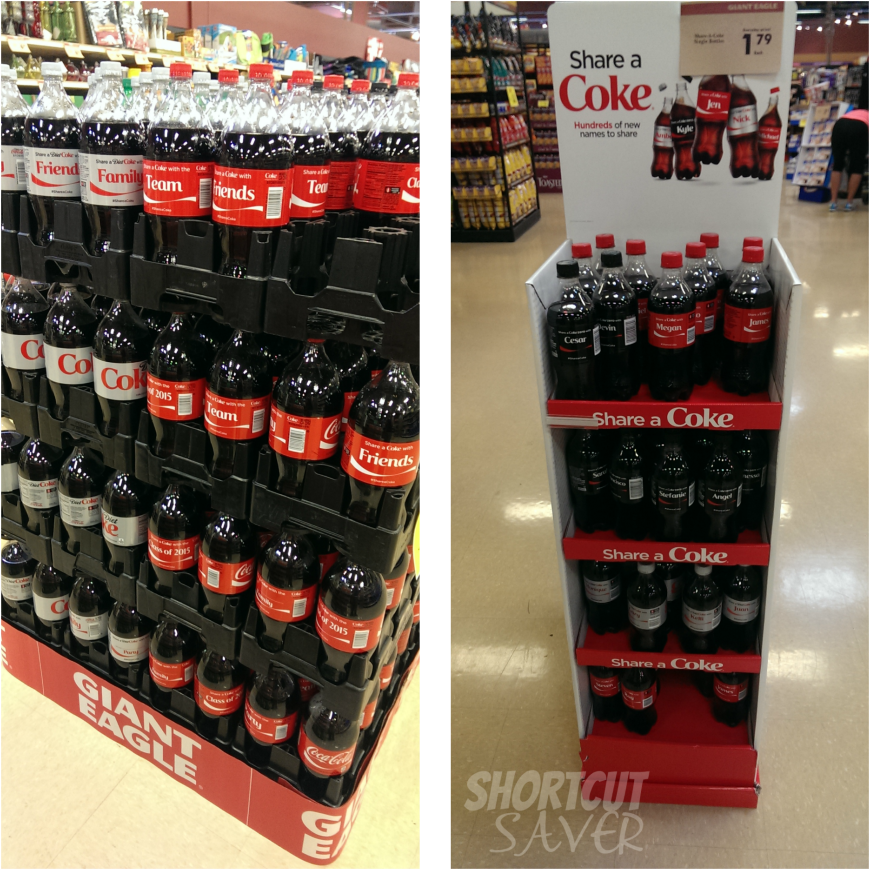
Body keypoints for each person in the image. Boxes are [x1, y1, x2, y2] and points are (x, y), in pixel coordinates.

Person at [829, 65, 869, 212]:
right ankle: (849, 202)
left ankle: (833, 202)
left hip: (839, 124)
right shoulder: (866, 116)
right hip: (859, 128)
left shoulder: (854, 110)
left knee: (838, 164)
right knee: (856, 167)